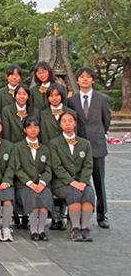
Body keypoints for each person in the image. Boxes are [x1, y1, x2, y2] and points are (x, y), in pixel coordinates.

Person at [66, 67, 111, 229]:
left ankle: (102, 215)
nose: (84, 80)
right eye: (81, 77)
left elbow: (106, 121)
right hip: (78, 148)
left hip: (97, 147)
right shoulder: (72, 100)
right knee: (77, 181)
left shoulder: (102, 99)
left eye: (88, 77)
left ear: (93, 80)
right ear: (77, 80)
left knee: (99, 182)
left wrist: (98, 135)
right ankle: (75, 216)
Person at [50, 112, 95, 241]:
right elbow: (57, 166)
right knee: (74, 193)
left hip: (82, 182)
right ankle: (75, 228)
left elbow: (88, 165)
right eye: (64, 121)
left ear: (75, 123)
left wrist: (83, 182)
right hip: (62, 183)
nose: (68, 124)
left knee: (88, 194)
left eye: (70, 121)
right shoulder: (55, 143)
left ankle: (85, 227)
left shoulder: (84, 143)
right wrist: (72, 182)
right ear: (60, 124)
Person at [39, 83, 74, 231]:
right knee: (50, 183)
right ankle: (53, 216)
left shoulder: (70, 113)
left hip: (65, 153)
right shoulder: (43, 113)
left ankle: (61, 216)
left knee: (63, 182)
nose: (54, 98)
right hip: (47, 152)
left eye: (57, 95)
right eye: (51, 95)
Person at [14, 116, 53, 241]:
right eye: (29, 127)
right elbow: (17, 168)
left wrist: (42, 183)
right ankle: (33, 229)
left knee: (44, 195)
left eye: (35, 126)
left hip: (41, 184)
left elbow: (48, 169)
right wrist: (30, 183)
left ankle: (41, 229)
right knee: (33, 197)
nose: (33, 129)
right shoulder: (18, 147)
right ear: (25, 130)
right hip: (24, 185)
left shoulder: (45, 148)